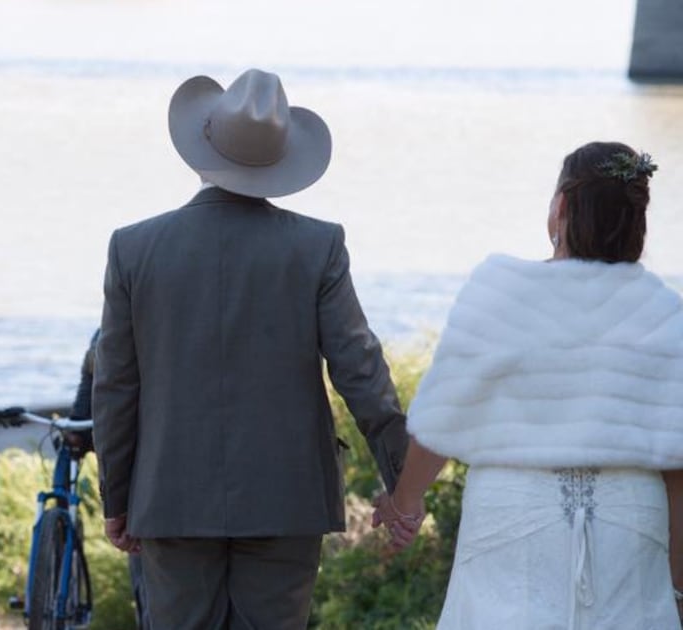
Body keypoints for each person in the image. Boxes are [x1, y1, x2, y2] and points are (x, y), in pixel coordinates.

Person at [91, 68, 409, 629]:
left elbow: (116, 386)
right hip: (286, 498)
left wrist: (117, 496)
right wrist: (402, 482)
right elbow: (360, 369)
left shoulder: (134, 249)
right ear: (281, 164)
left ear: (201, 151)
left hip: (170, 497)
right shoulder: (318, 247)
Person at [373, 142, 683, 628]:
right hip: (632, 522)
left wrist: (405, 501)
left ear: (560, 207)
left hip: (512, 518)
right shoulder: (666, 313)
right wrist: (677, 588)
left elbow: (442, 417)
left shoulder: (501, 291)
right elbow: (678, 471)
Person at [67, 329, 149, 629]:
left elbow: (100, 399)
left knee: (151, 586)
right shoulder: (104, 338)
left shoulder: (106, 336)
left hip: (145, 484)